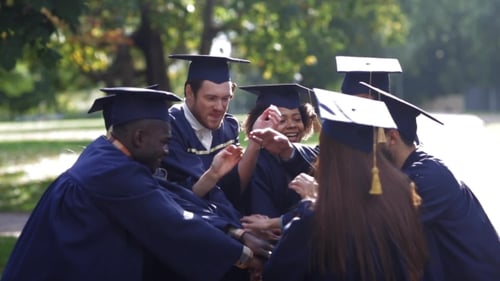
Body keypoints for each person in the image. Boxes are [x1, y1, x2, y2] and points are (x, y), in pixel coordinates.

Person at [1, 87, 261, 281]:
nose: (166, 151)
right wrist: (244, 257)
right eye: (163, 142)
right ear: (139, 137)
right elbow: (173, 224)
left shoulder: (107, 157)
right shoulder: (114, 173)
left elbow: (172, 198)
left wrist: (234, 232)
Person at [263, 88, 428, 281]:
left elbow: (274, 274)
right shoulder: (401, 199)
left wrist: (308, 204)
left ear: (328, 155)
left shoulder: (316, 220)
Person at [360, 82, 500, 281]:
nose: (364, 147)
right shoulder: (413, 169)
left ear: (391, 137)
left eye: (368, 138)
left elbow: (379, 228)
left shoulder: (427, 177)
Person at [162, 54, 281, 213]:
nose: (220, 107)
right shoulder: (170, 129)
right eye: (211, 98)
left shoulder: (228, 127)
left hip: (225, 215)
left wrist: (255, 139)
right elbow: (184, 196)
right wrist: (213, 174)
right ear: (189, 92)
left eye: (226, 98)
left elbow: (237, 187)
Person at [238, 83, 319, 219]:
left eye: (297, 119)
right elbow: (262, 218)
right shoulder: (257, 165)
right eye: (282, 120)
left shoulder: (311, 157)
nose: (292, 125)